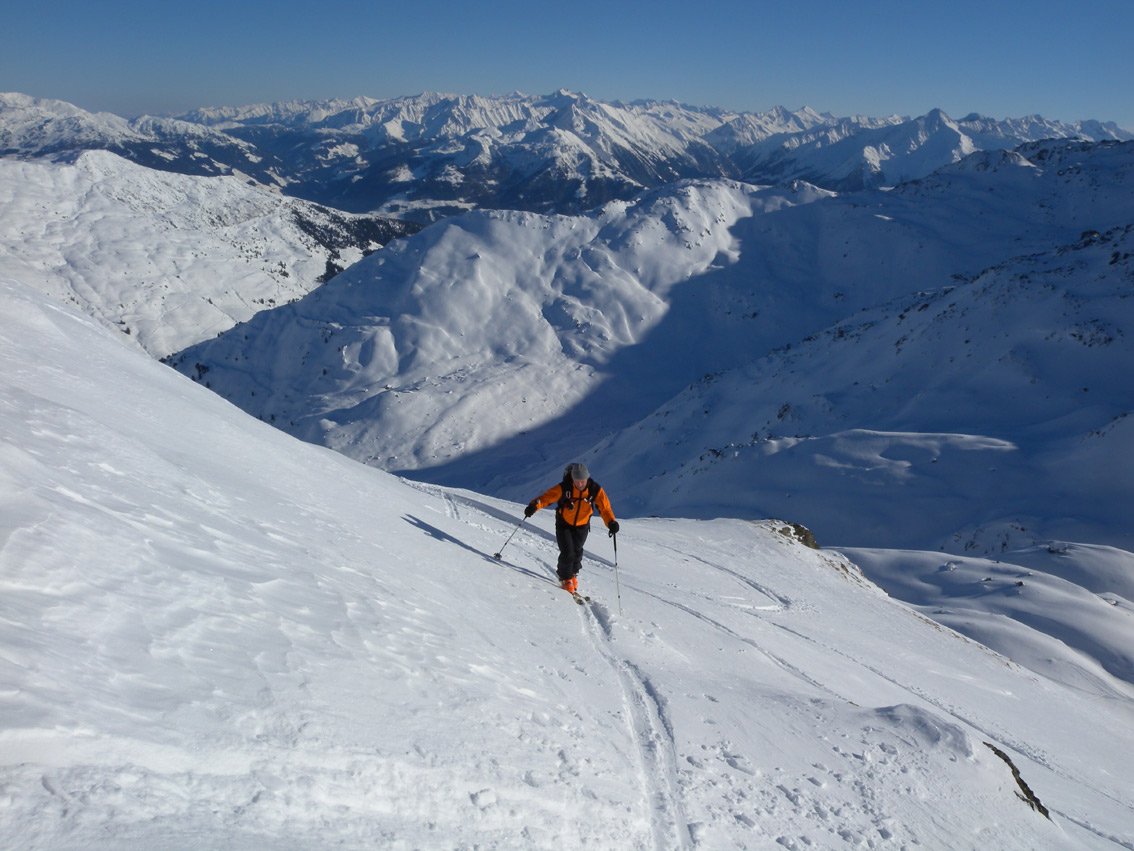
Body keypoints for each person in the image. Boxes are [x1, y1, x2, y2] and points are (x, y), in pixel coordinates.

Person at [525, 462, 619, 594]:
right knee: (568, 552)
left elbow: (605, 508)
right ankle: (566, 578)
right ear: (572, 479)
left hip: (582, 525)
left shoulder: (594, 489)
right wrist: (534, 506)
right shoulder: (565, 488)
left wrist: (611, 522)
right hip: (564, 524)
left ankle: (573, 574)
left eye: (583, 481)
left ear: (587, 478)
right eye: (577, 481)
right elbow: (546, 498)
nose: (580, 484)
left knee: (577, 551)